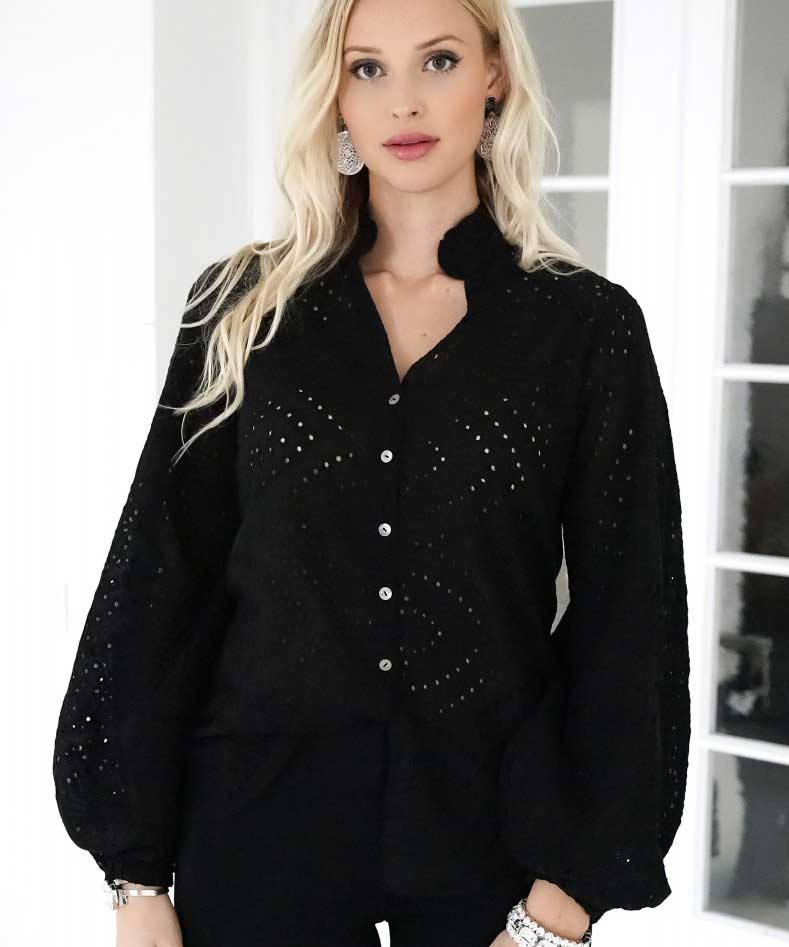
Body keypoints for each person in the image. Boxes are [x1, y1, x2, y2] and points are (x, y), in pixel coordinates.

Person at [52, 0, 691, 945]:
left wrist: (560, 906)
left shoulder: (585, 329)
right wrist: (135, 877)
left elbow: (630, 616)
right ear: (336, 95)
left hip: (489, 850)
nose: (403, 102)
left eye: (438, 61)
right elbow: (162, 577)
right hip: (257, 837)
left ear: (494, 75)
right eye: (367, 68)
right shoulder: (243, 309)